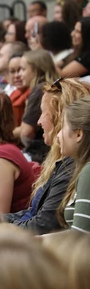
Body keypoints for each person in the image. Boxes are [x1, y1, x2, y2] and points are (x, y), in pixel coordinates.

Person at [6, 79, 90, 234]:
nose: (38, 121)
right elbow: (32, 214)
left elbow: (46, 226)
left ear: (60, 118)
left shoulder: (73, 166)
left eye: (42, 113)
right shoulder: (63, 161)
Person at [18, 49, 57, 162]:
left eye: (23, 69)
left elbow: (26, 132)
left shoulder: (40, 90)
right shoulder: (55, 86)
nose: (20, 74)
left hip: (40, 154)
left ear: (37, 70)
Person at [59, 96, 90, 232]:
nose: (58, 135)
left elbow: (81, 239)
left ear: (78, 134)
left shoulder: (88, 172)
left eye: (62, 127)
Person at [7, 53, 30, 127]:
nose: (17, 75)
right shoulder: (13, 93)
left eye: (21, 70)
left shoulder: (33, 94)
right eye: (12, 71)